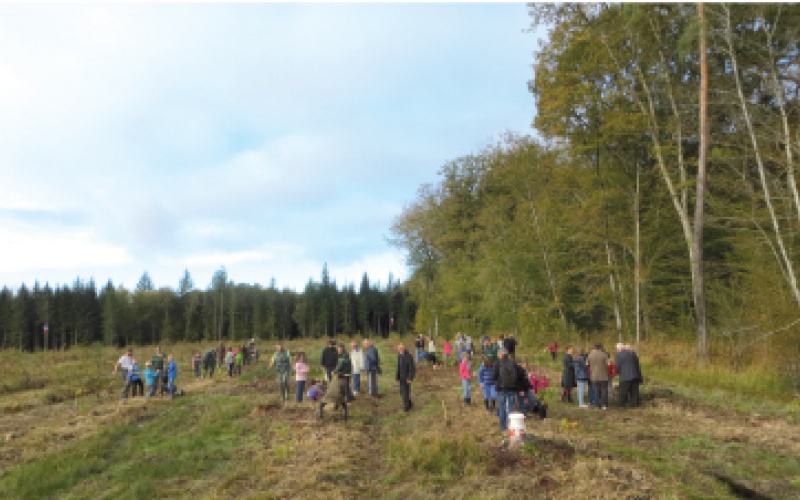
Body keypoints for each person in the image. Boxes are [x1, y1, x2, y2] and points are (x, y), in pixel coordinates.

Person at [493, 347, 519, 430]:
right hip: (512, 388)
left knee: (502, 407)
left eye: (498, 354)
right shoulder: (513, 362)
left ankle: (503, 427)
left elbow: (494, 376)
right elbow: (517, 375)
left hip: (501, 388)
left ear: (501, 354)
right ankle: (511, 426)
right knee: (511, 408)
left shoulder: (497, 363)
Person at [587, 343, 610, 409]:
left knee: (596, 391)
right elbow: (608, 364)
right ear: (600, 347)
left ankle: (597, 405)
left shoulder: (590, 355)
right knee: (604, 390)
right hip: (603, 375)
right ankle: (604, 405)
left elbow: (587, 364)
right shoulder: (604, 355)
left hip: (594, 376)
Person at [396, 343, 416, 412]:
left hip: (407, 378)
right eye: (398, 349)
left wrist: (410, 378)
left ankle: (406, 408)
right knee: (402, 392)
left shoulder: (408, 356)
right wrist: (397, 376)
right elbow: (398, 367)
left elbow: (412, 368)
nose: (399, 350)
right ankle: (409, 403)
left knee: (405, 393)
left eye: (400, 349)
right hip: (401, 377)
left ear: (403, 349)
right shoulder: (399, 355)